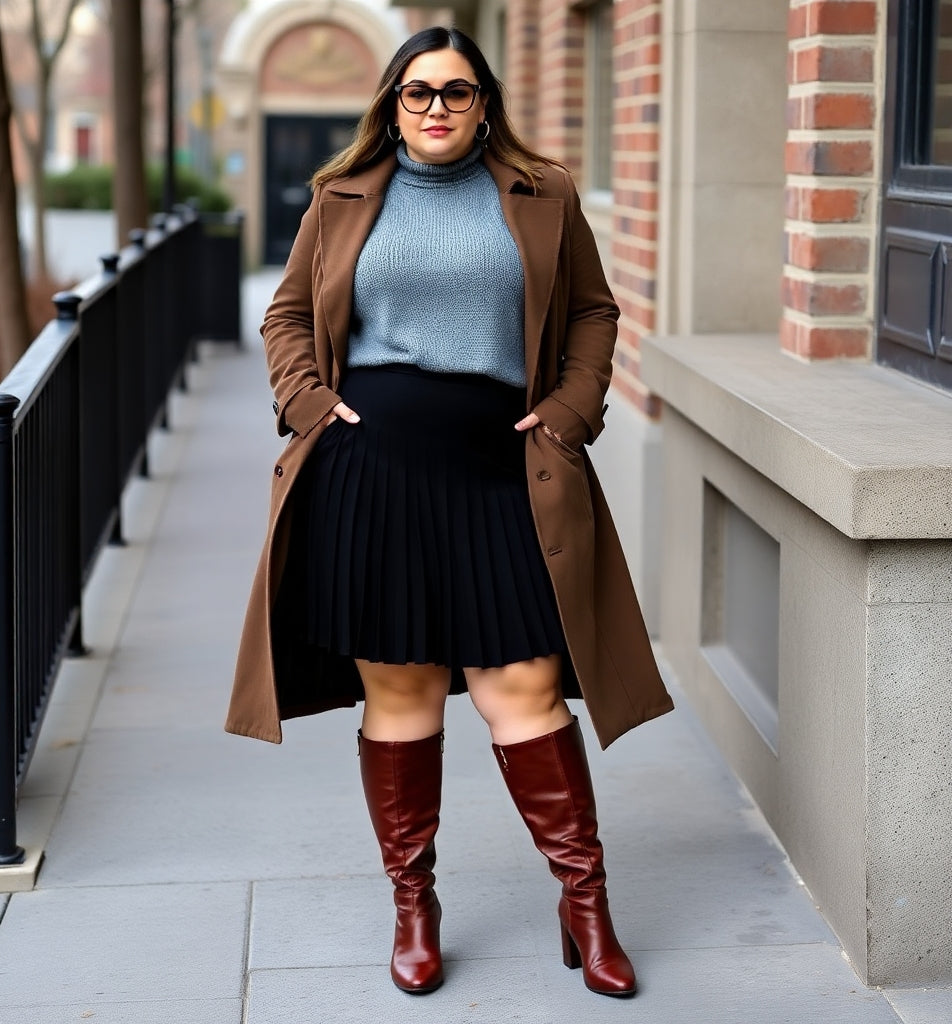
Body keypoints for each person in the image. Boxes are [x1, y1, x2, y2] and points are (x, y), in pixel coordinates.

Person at [227, 25, 674, 999]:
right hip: (370, 476)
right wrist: (308, 404)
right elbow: (287, 313)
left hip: (505, 477)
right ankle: (413, 906)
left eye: (456, 91)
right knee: (403, 690)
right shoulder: (340, 197)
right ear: (392, 104)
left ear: (484, 104)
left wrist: (569, 408)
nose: (435, 107)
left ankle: (585, 904)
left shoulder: (541, 194)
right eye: (417, 92)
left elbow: (593, 310)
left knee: (523, 685)